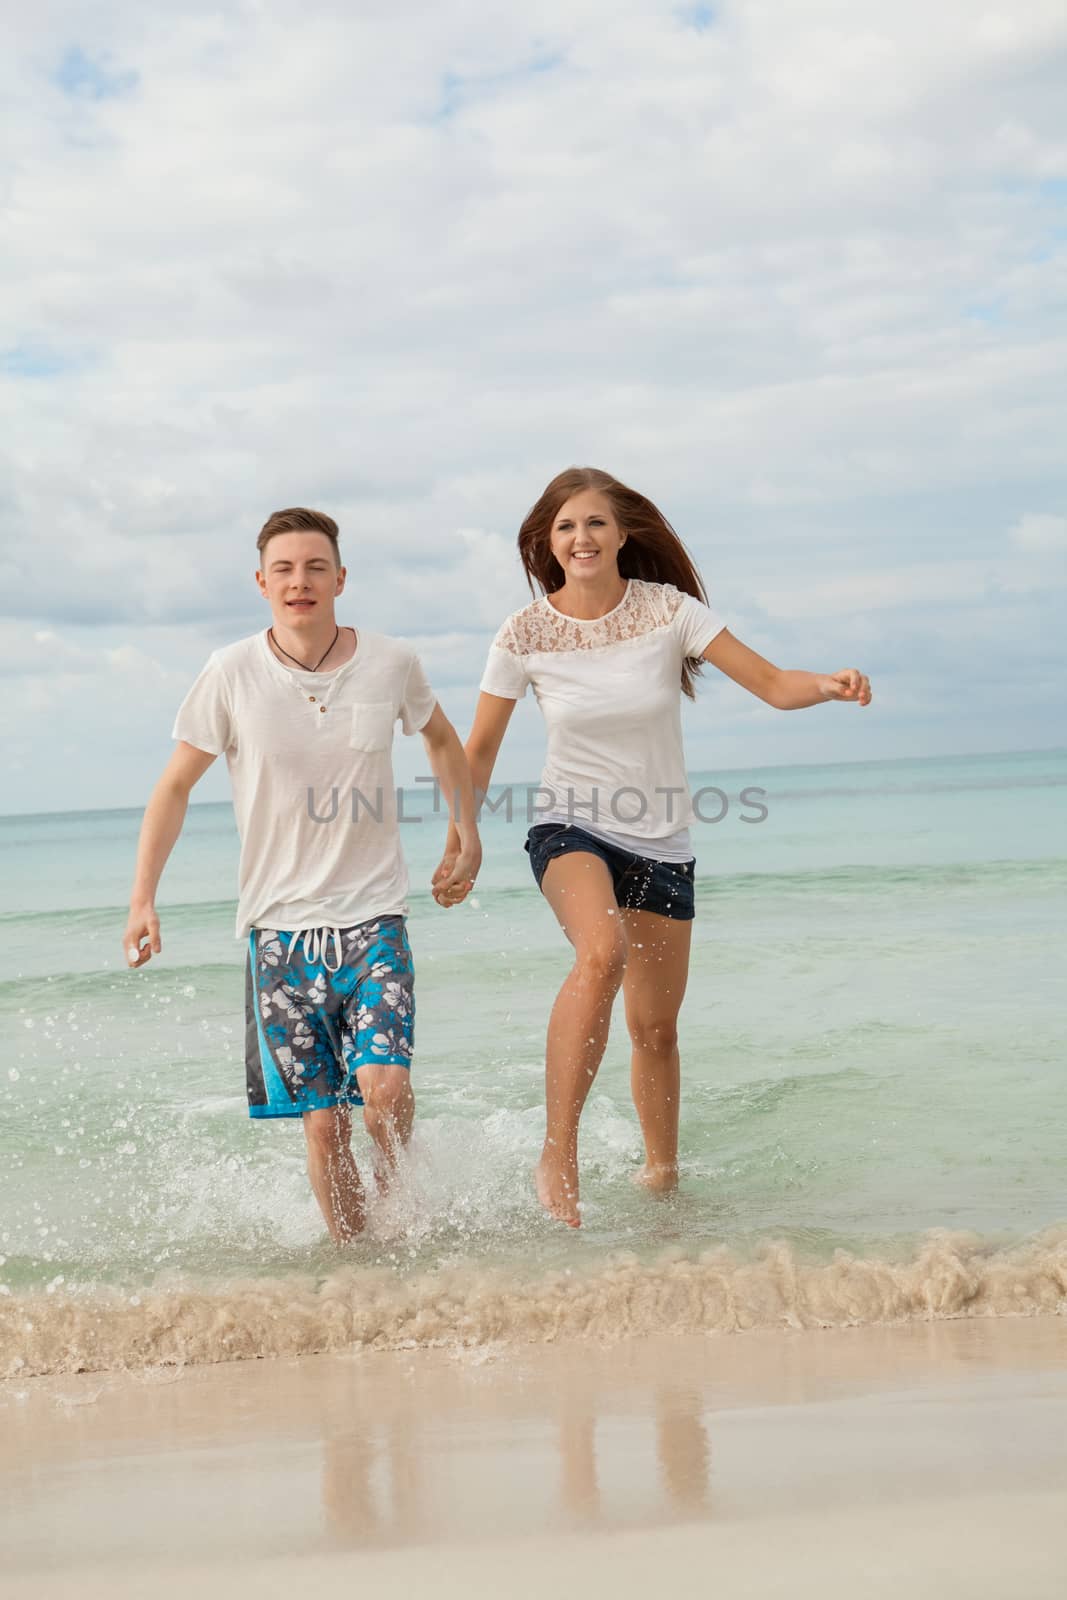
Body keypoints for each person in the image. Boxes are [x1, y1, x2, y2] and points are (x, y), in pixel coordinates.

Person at [436, 467, 871, 1227]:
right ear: (547, 541)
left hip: (662, 843)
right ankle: (558, 1150)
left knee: (655, 1028)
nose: (581, 538)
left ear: (622, 533)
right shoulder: (523, 633)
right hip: (569, 827)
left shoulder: (669, 611)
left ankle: (663, 1179)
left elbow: (770, 682)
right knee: (598, 953)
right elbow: (477, 755)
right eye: (566, 526)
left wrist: (830, 685)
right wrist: (462, 839)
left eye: (596, 523)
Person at [123, 507, 480, 1243]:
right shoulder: (230, 672)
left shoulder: (391, 661)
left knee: (385, 1091)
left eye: (316, 567)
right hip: (278, 935)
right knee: (322, 1126)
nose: (300, 581)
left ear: (340, 578)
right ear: (261, 583)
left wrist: (464, 833)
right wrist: (142, 901)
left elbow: (443, 741)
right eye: (284, 569)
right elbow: (174, 787)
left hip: (374, 917)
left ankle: (402, 1213)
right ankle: (356, 1264)